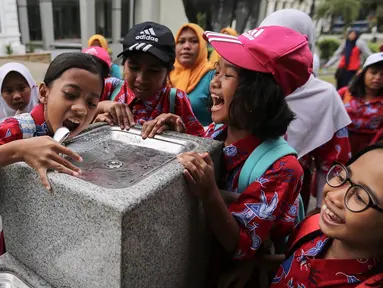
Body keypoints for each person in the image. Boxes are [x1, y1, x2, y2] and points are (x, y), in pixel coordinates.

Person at [177, 25, 312, 287]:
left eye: (227, 75)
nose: (213, 82)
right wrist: (177, 129)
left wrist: (209, 193)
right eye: (216, 70)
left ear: (257, 95)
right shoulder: (219, 129)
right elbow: (201, 142)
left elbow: (239, 244)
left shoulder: (283, 168)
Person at [260, 9, 352, 212]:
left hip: (293, 199)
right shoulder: (251, 84)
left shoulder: (325, 96)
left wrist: (322, 210)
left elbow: (334, 164)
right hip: (241, 191)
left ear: (305, 46)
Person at [271, 144, 383, 288]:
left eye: (360, 198)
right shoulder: (311, 226)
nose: (333, 196)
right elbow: (294, 261)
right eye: (342, 177)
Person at [0, 52, 105, 190]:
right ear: (44, 93)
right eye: (70, 95)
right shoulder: (16, 129)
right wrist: (20, 150)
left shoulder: (73, 129)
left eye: (91, 103)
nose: (81, 109)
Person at [95, 21, 205, 138]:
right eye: (134, 68)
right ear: (124, 64)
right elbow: (75, 125)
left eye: (153, 71)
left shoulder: (177, 100)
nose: (141, 79)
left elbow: (202, 147)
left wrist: (179, 134)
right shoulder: (108, 88)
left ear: (168, 72)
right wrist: (100, 108)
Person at [338, 52, 383, 156]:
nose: (377, 77)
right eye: (373, 72)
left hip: (371, 153)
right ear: (363, 73)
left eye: (382, 74)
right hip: (340, 149)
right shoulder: (344, 93)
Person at [170, 23, 215, 126]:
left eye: (194, 41)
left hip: (202, 140)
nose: (186, 46)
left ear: (203, 45)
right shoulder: (166, 74)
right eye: (181, 41)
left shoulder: (212, 76)